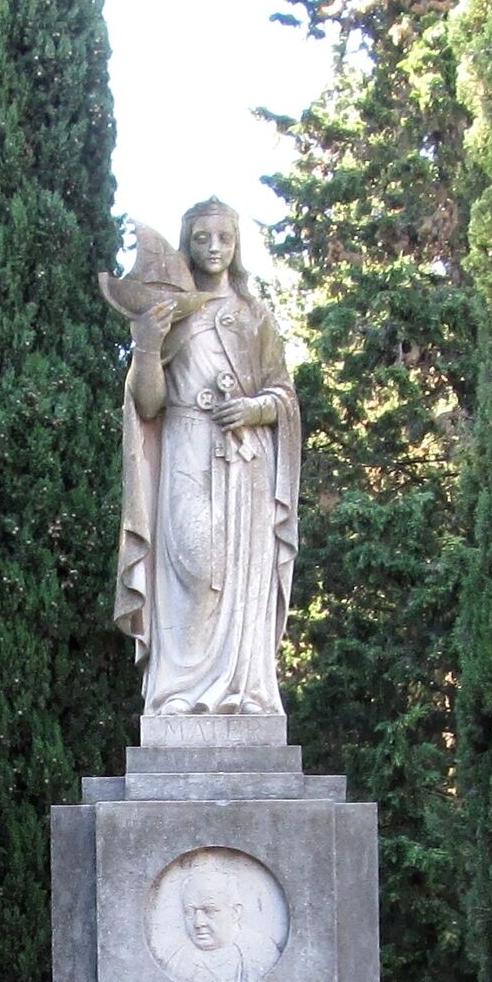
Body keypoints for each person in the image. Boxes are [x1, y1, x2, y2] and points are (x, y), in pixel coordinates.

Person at [101, 201, 300, 717]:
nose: (214, 248)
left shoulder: (254, 316)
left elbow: (284, 395)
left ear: (236, 247)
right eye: (203, 238)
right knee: (192, 562)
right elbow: (148, 404)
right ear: (186, 243)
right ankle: (177, 691)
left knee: (238, 573)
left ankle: (243, 691)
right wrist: (146, 347)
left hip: (244, 462)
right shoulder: (170, 313)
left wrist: (255, 408)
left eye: (224, 239)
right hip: (186, 447)